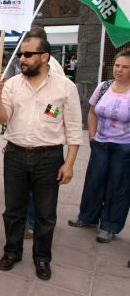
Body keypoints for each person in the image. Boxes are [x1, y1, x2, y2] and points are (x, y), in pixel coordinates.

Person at [0, 36, 82, 281]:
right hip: (15, 155)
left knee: (45, 214)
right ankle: (12, 251)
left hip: (49, 157)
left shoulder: (65, 87)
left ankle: (42, 257)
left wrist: (69, 163)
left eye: (28, 54)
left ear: (45, 57)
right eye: (21, 54)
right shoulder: (11, 85)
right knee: (13, 211)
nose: (22, 59)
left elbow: (74, 129)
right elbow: (1, 118)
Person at [68, 49, 130, 243]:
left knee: (118, 187)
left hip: (124, 148)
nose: (119, 70)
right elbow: (92, 112)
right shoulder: (104, 86)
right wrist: (93, 136)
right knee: (94, 182)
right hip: (100, 144)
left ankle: (110, 225)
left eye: (125, 67)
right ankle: (88, 217)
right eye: (117, 65)